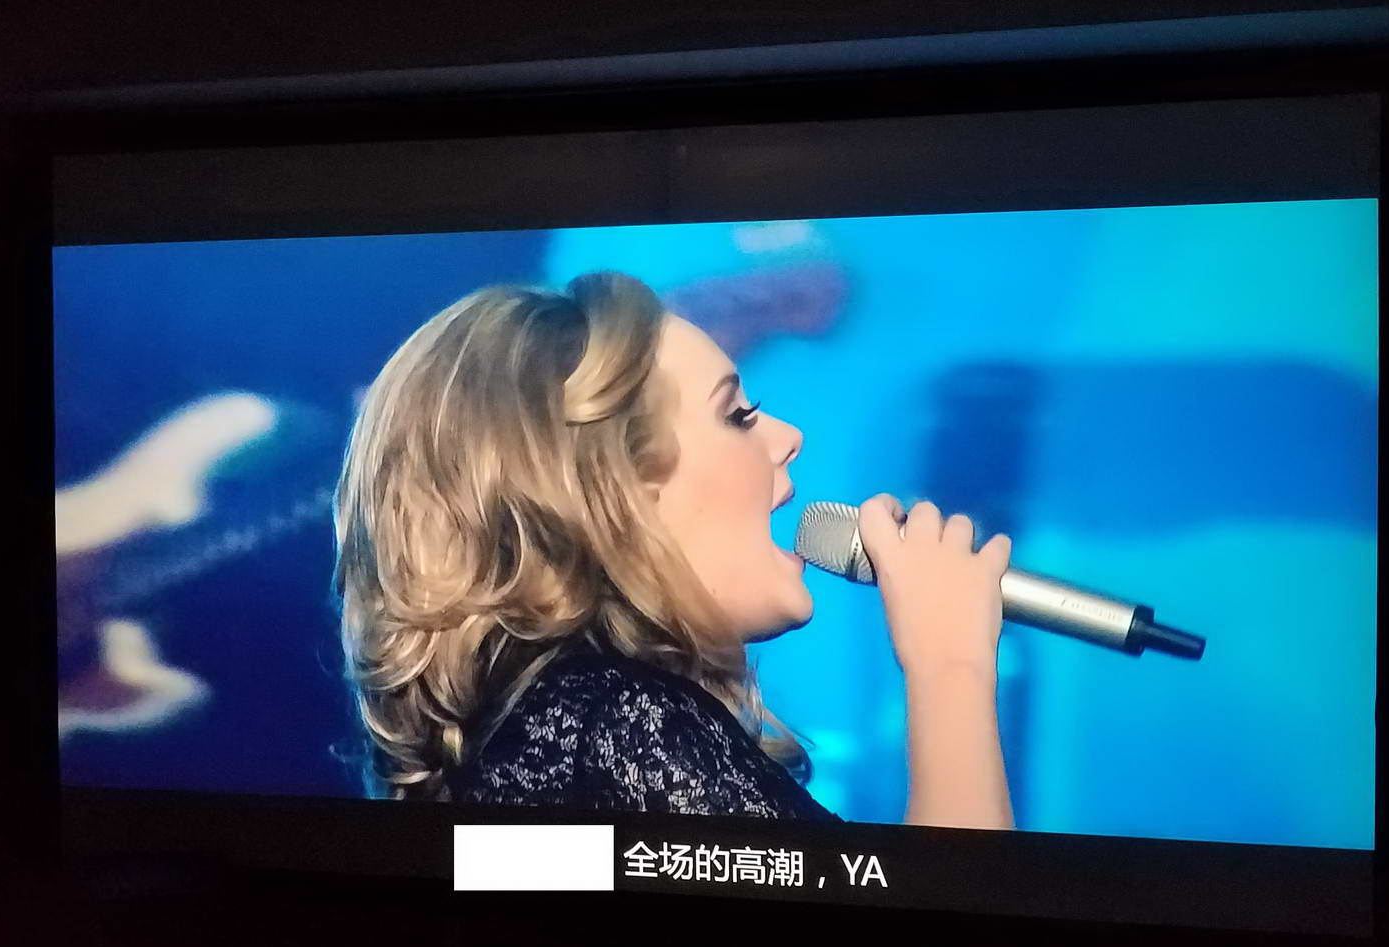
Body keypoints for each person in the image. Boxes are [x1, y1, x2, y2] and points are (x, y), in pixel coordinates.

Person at [332, 271, 1013, 828]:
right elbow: (927, 940)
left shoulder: (534, 742)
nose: (788, 437)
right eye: (737, 415)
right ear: (611, 490)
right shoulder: (619, 726)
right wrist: (950, 665)